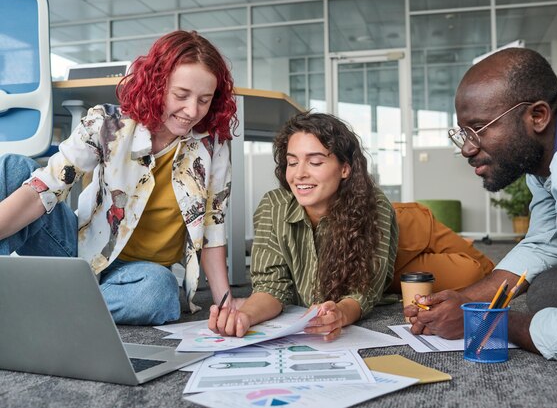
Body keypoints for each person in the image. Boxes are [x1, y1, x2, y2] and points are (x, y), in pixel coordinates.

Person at [405, 47, 557, 367]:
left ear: (537, 115)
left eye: (478, 128)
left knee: (551, 296)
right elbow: (543, 243)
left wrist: (484, 322)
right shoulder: (550, 145)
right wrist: (466, 301)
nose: (467, 148)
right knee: (550, 289)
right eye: (463, 132)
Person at [0, 30, 238, 325]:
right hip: (79, 251)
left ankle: (38, 306)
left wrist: (226, 305)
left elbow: (212, 225)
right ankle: (60, 302)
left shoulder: (212, 145)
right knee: (11, 167)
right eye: (181, 95)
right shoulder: (107, 123)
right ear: (157, 85)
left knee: (159, 293)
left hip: (140, 274)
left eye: (204, 100)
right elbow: (47, 186)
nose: (192, 111)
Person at [209, 112, 399, 340]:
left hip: (407, 238)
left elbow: (363, 292)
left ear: (345, 169)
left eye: (315, 162)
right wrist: (245, 316)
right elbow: (271, 287)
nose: (299, 174)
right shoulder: (273, 206)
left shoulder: (375, 205)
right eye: (292, 162)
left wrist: (340, 314)